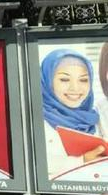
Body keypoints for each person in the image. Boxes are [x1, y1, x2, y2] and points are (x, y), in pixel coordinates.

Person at [41, 49, 104, 178]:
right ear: (47, 81)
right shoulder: (33, 120)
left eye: (83, 80)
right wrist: (81, 161)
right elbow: (33, 167)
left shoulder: (96, 118)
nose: (75, 88)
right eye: (64, 79)